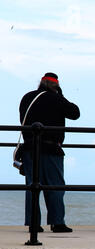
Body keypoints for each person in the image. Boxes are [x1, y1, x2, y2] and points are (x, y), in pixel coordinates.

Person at [19, 72, 80, 233]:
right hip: (51, 148)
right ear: (56, 86)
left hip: (30, 147)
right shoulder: (57, 98)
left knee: (32, 186)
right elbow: (75, 113)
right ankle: (57, 222)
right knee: (55, 186)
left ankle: (33, 223)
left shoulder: (27, 97)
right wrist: (61, 95)